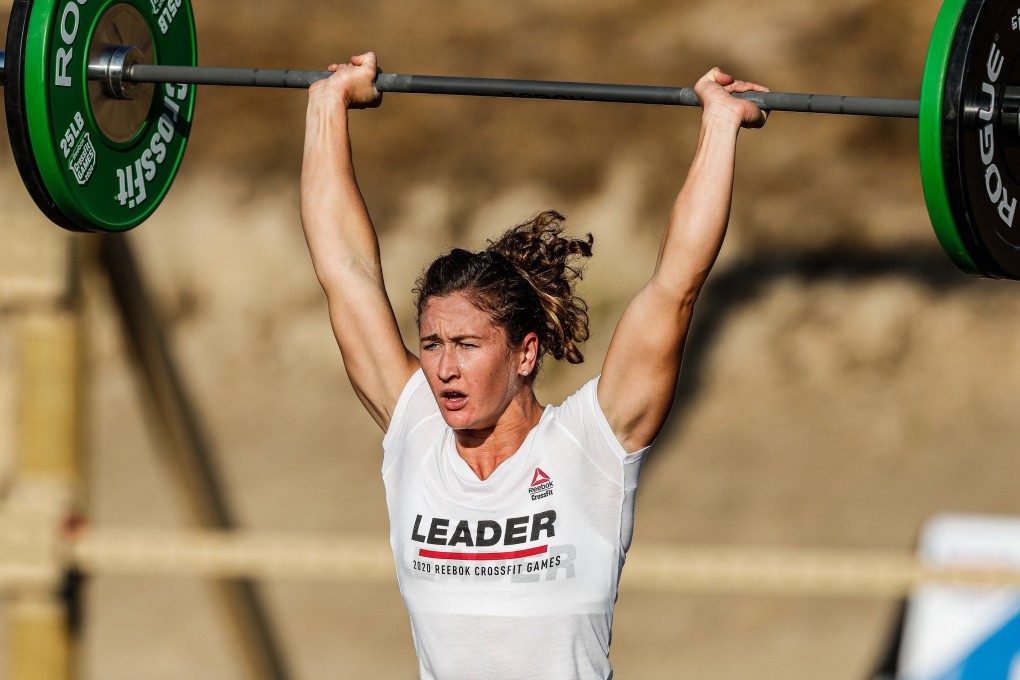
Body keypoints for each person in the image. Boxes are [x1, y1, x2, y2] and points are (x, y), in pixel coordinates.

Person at [301, 52, 767, 680]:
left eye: (467, 345)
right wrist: (327, 105)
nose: (442, 368)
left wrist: (720, 123)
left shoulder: (590, 446)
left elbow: (675, 285)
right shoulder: (415, 425)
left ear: (525, 351)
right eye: (432, 344)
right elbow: (346, 273)